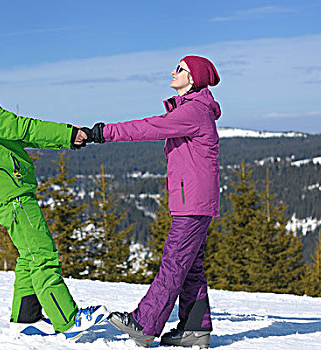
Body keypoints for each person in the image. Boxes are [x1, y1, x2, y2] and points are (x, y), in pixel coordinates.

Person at [0, 43, 106, 339]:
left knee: (29, 255)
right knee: (43, 253)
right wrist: (67, 133)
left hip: (9, 186)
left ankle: (25, 318)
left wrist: (66, 140)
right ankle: (67, 319)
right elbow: (15, 128)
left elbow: (13, 134)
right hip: (8, 190)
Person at [84, 55, 221, 348]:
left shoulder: (194, 111)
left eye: (180, 69)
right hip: (195, 200)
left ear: (193, 78)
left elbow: (148, 127)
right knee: (190, 266)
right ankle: (195, 328)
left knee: (174, 263)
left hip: (193, 203)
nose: (174, 72)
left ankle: (145, 324)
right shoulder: (193, 109)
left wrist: (104, 133)